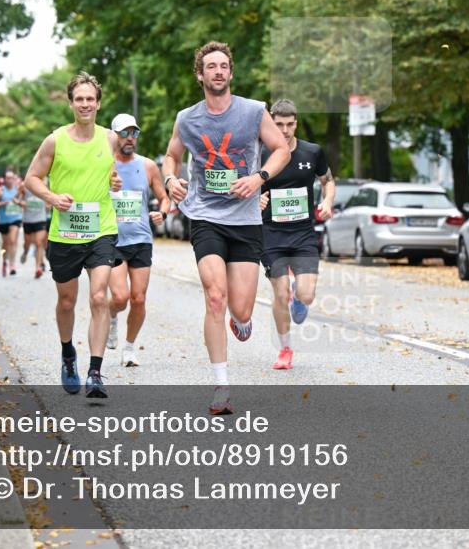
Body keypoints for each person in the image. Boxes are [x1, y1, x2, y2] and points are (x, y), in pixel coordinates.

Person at [162, 41, 290, 415]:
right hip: (205, 216)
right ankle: (222, 385)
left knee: (242, 308)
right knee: (214, 296)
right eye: (210, 67)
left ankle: (242, 320)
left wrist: (259, 177)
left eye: (223, 66)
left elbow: (280, 148)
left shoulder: (252, 111)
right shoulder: (187, 118)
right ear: (200, 75)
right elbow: (172, 156)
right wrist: (171, 182)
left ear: (231, 73)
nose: (218, 71)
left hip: (246, 219)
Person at [24, 72, 123, 399]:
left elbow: (109, 172)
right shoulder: (55, 140)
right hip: (65, 233)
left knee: (98, 297)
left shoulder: (110, 138)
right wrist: (52, 198)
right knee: (67, 301)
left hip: (101, 229)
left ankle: (95, 372)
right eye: (79, 99)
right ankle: (68, 353)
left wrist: (114, 181)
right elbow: (32, 179)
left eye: (90, 99)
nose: (85, 104)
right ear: (71, 103)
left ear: (98, 103)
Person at [258, 99, 335, 370]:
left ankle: (298, 296)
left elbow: (328, 181)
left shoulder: (312, 152)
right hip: (270, 233)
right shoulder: (260, 154)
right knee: (278, 293)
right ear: (271, 124)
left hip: (303, 234)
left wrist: (326, 202)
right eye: (279, 124)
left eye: (290, 124)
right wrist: (256, 200)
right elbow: (246, 186)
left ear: (296, 123)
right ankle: (286, 349)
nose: (285, 130)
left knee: (307, 295)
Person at [107, 113, 170, 366]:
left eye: (134, 133)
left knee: (139, 298)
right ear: (114, 136)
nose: (130, 138)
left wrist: (162, 212)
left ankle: (129, 348)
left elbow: (164, 197)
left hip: (141, 238)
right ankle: (112, 315)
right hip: (112, 239)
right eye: (124, 133)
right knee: (120, 297)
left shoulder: (147, 166)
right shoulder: (104, 164)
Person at [0, 170, 23, 276]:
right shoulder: (0, 190)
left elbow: (24, 199)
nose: (10, 180)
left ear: (14, 179)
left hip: (16, 218)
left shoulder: (18, 189)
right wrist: (2, 203)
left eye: (12, 178)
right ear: (4, 179)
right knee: (5, 244)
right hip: (3, 220)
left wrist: (20, 203)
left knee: (12, 240)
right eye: (8, 178)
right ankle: (4, 261)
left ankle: (12, 265)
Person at [18, 181, 49, 279]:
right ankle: (25, 251)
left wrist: (49, 205)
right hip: (28, 220)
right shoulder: (24, 185)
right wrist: (21, 202)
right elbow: (15, 198)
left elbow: (49, 202)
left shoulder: (45, 186)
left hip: (41, 219)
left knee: (38, 242)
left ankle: (38, 268)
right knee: (27, 243)